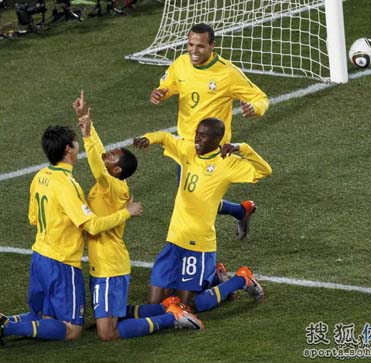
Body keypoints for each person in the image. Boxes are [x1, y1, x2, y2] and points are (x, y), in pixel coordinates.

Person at [0, 124, 143, 350]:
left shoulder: (40, 176)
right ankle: (6, 327)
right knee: (72, 330)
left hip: (40, 256)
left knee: (44, 317)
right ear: (68, 149)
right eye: (76, 142)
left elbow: (33, 219)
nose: (78, 146)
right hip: (62, 264)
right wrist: (127, 212)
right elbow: (92, 226)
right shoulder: (67, 185)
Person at [72, 91, 204, 341]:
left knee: (107, 334)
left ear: (117, 169)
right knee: (111, 319)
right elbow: (100, 156)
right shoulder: (114, 182)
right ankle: (169, 307)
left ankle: (172, 317)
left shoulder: (110, 185)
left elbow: (96, 164)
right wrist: (87, 124)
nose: (107, 154)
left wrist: (87, 135)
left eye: (113, 156)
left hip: (109, 267)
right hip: (110, 264)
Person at [133, 117, 272, 311]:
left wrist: (242, 147)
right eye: (197, 134)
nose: (197, 139)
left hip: (198, 245)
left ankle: (242, 280)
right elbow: (165, 138)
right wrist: (148, 138)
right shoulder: (188, 150)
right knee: (155, 303)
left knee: (187, 305)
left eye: (203, 136)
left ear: (218, 139)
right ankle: (213, 276)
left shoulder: (227, 163)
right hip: (174, 239)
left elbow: (265, 170)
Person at [150, 23, 270, 240]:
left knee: (193, 204)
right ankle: (240, 211)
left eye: (201, 46)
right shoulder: (181, 64)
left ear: (212, 46)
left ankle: (204, 259)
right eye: (190, 45)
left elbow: (260, 97)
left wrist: (255, 108)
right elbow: (169, 85)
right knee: (193, 201)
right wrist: (161, 93)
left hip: (212, 150)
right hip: (186, 145)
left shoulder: (227, 73)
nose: (194, 51)